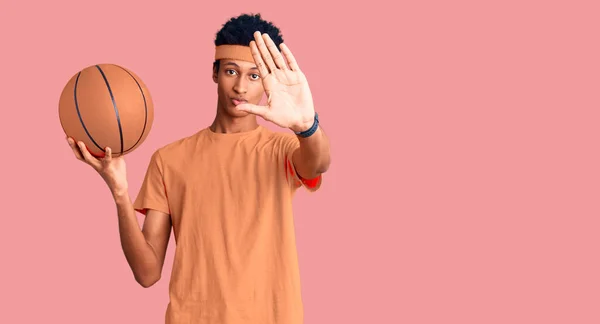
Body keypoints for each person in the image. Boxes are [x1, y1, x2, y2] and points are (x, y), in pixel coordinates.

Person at [66, 13, 331, 324]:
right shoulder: (169, 159)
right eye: (232, 71)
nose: (241, 87)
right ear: (215, 72)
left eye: (254, 75)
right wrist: (120, 192)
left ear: (267, 82)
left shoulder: (283, 150)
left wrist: (306, 126)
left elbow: (319, 161)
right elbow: (147, 273)